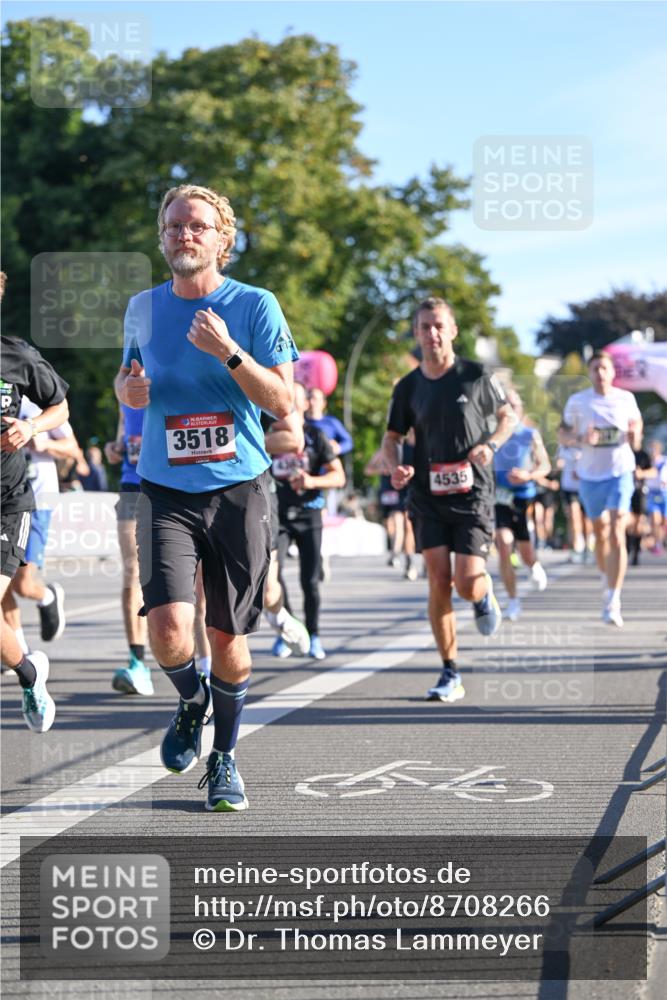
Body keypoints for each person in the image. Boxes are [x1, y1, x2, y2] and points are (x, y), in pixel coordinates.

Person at [114, 184, 298, 812]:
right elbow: (130, 377)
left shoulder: (255, 304)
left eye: (197, 226)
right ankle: (190, 701)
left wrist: (230, 353)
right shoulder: (142, 307)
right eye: (173, 226)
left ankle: (224, 757)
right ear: (161, 236)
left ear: (223, 238)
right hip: (164, 485)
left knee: (230, 643)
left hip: (238, 488)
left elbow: (283, 401)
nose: (183, 235)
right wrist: (127, 392)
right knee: (168, 631)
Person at [382, 296, 516, 703]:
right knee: (439, 581)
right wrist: (395, 467)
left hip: (473, 491)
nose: (432, 333)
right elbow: (392, 439)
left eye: (439, 325)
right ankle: (450, 671)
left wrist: (490, 445)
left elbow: (508, 417)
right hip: (427, 493)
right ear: (417, 333)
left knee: (467, 582)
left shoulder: (476, 376)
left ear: (453, 330)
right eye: (424, 326)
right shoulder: (407, 387)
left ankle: (483, 593)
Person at [1, 270, 70, 733]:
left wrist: (30, 427)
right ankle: (29, 673)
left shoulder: (17, 355)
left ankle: (27, 672)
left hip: (7, 501)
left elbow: (60, 407)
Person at [561, 350, 642, 627]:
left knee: (617, 527)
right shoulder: (578, 401)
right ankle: (605, 578)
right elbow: (563, 434)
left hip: (620, 471)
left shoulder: (626, 399)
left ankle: (613, 598)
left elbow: (637, 430)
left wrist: (635, 436)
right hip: (590, 476)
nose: (600, 373)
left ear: (612, 372)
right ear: (590, 372)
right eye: (595, 368)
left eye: (604, 368)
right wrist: (581, 437)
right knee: (601, 531)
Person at [270, 381, 345, 660]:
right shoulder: (270, 436)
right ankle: (287, 633)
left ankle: (313, 634)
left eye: (295, 398)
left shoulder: (316, 435)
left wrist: (312, 480)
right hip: (277, 513)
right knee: (273, 576)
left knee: (309, 580)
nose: (288, 403)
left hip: (309, 512)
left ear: (303, 404)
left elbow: (339, 476)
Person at [1, 396, 77, 652]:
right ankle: (18, 650)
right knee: (2, 582)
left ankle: (47, 595)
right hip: (5, 501)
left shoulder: (36, 407)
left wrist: (41, 441)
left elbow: (72, 448)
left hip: (38, 501)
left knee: (22, 584)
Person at [104, 405, 153, 695]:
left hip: (175, 484)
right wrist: (115, 447)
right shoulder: (123, 385)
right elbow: (122, 438)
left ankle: (205, 664)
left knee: (196, 579)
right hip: (132, 484)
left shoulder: (173, 369)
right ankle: (138, 662)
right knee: (133, 570)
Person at [493, 390, 550, 621]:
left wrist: (528, 475)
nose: (511, 410)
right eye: (506, 405)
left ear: (521, 409)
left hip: (523, 498)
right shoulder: (492, 435)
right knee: (504, 545)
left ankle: (533, 565)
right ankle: (513, 600)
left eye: (515, 405)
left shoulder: (530, 435)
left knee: (526, 554)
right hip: (499, 498)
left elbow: (545, 465)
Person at [645, 439, 667, 554]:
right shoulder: (647, 462)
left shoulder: (664, 461)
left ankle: (662, 539)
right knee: (655, 519)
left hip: (664, 494)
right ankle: (657, 543)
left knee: (664, 522)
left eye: (654, 449)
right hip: (652, 493)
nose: (652, 451)